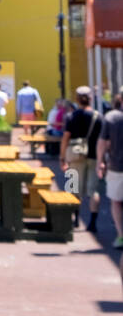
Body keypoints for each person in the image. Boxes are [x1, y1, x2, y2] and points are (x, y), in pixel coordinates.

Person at [63, 86, 102, 230]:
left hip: (74, 156)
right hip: (93, 156)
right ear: (91, 99)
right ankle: (92, 223)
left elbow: (65, 138)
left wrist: (62, 157)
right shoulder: (97, 117)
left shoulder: (71, 116)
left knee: (73, 188)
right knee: (93, 191)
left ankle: (76, 219)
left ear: (77, 99)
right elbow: (102, 140)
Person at [96, 94, 123, 249]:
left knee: (116, 201)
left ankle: (120, 235)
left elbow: (102, 142)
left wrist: (100, 162)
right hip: (115, 165)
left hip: (116, 165)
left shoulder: (111, 117)